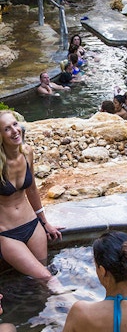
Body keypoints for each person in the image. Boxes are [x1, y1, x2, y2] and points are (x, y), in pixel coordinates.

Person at [0, 110, 63, 281]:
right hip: (7, 233)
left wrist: (44, 222)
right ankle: (72, 305)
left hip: (32, 225)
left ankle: (41, 306)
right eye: (7, 129)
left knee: (41, 274)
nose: (14, 131)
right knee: (46, 277)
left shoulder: (27, 152)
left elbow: (32, 190)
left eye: (15, 124)